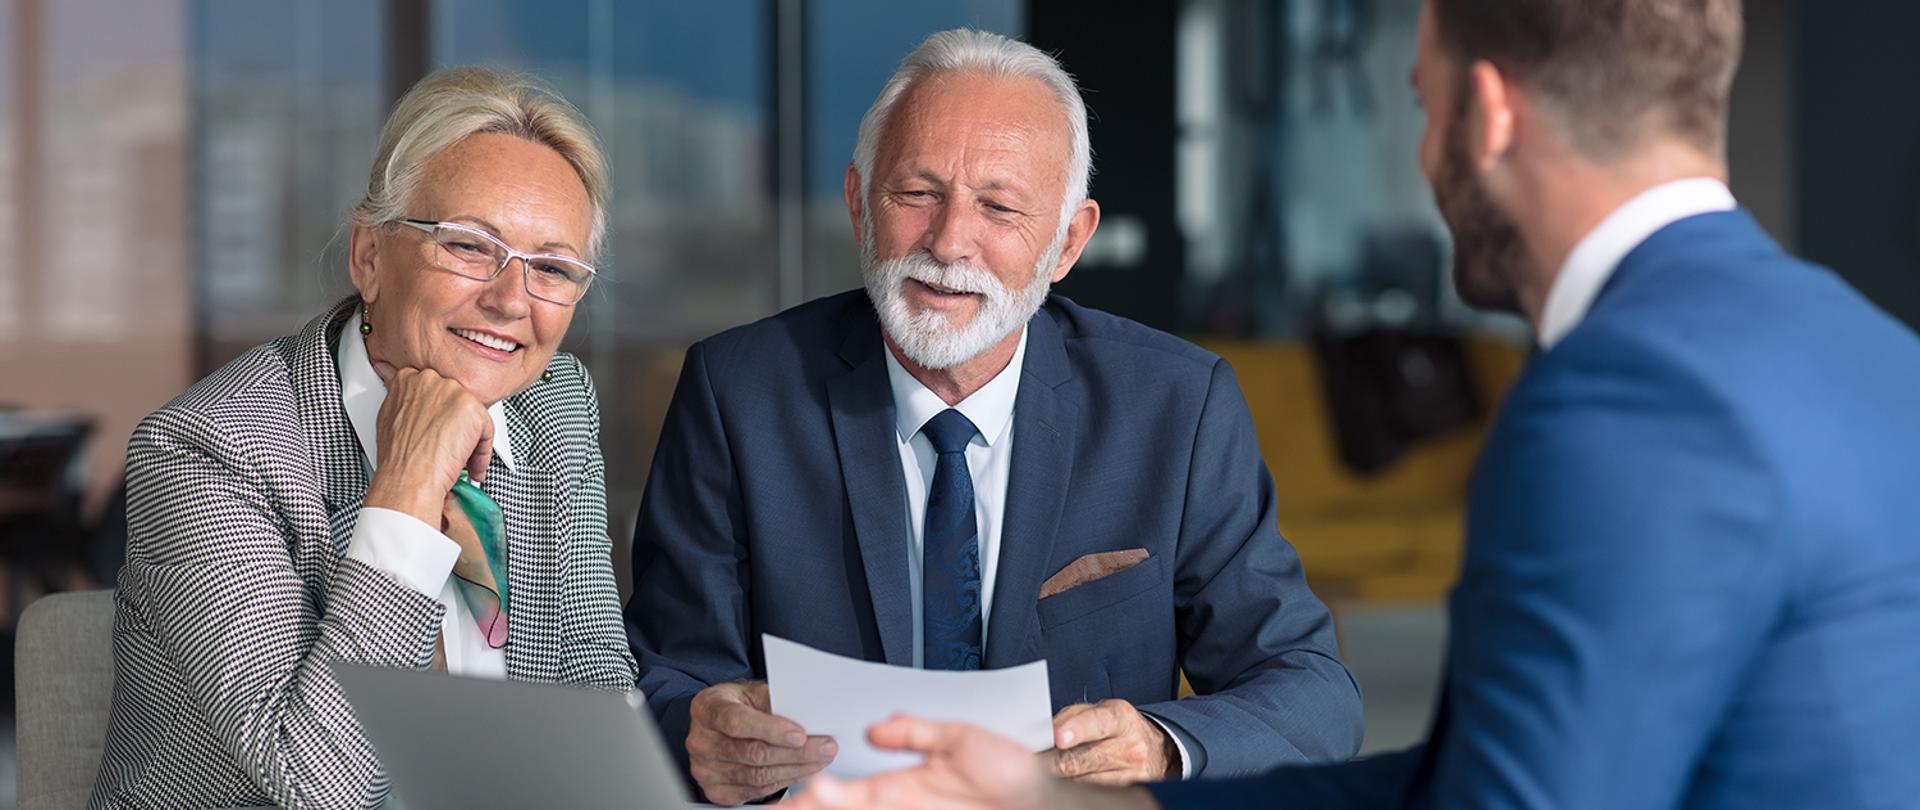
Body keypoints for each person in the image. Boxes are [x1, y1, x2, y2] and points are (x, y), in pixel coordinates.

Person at [787, 1, 1920, 808]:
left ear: (1488, 114)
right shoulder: (1871, 352)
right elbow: (1479, 772)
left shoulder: (1622, 399)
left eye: (1423, 106)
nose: (1423, 157)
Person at [624, 28, 1362, 806]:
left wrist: (1160, 745)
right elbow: (664, 673)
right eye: (917, 195)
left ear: (1068, 241)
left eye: (999, 207)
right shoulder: (738, 392)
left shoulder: (1175, 407)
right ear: (859, 203)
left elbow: (1314, 696)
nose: (949, 243)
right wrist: (700, 732)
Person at [90, 66, 636, 810]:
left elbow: (593, 676)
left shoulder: (555, 404)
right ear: (370, 257)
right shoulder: (208, 449)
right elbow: (320, 783)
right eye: (470, 246)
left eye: (552, 267)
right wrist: (408, 486)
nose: (512, 300)